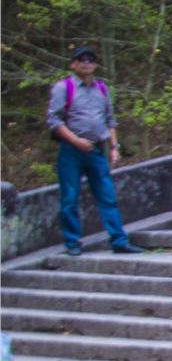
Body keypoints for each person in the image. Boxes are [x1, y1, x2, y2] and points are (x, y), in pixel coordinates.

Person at [45, 46, 139, 256]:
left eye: (90, 59)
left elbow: (109, 120)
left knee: (107, 196)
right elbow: (54, 121)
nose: (86, 63)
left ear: (95, 64)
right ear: (73, 64)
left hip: (96, 150)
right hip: (71, 151)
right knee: (70, 197)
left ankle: (119, 240)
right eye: (81, 59)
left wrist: (114, 147)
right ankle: (72, 242)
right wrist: (76, 141)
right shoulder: (63, 87)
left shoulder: (101, 88)